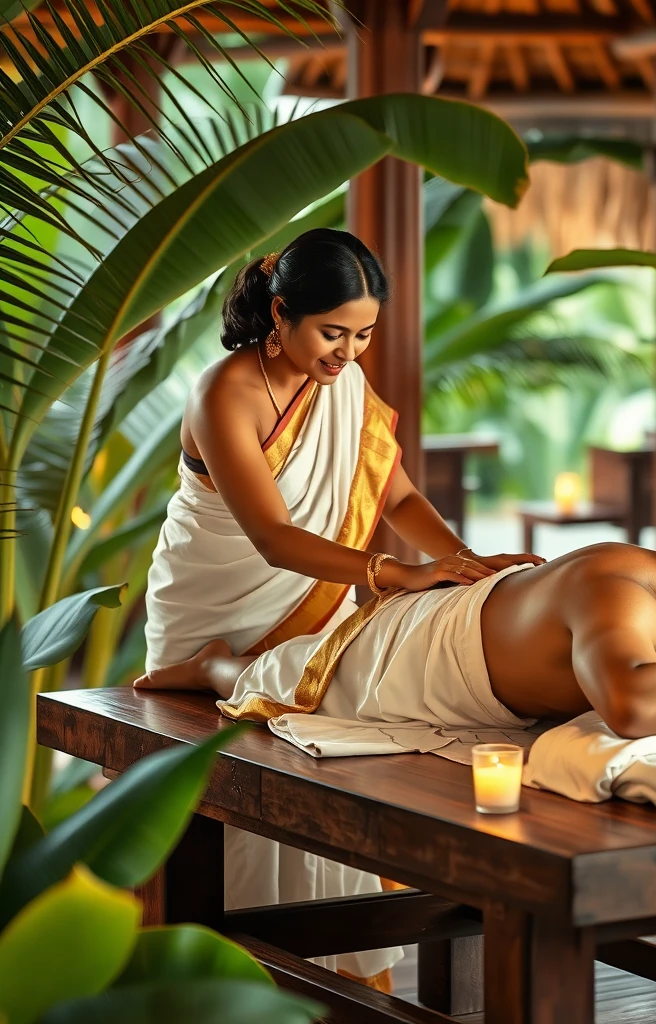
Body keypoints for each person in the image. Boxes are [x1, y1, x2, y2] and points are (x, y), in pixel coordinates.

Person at [140, 227, 541, 985]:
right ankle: (234, 985)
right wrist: (395, 573)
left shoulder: (342, 387)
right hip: (214, 605)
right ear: (281, 312)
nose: (348, 353)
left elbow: (402, 496)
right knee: (238, 811)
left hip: (311, 616)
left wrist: (457, 562)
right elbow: (273, 538)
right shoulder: (225, 391)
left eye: (363, 336)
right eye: (332, 332)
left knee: (315, 780)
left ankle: (329, 987)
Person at [139, 480, 656, 751]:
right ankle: (213, 662)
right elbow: (633, 706)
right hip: (397, 654)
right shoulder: (622, 595)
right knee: (268, 681)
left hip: (478, 641)